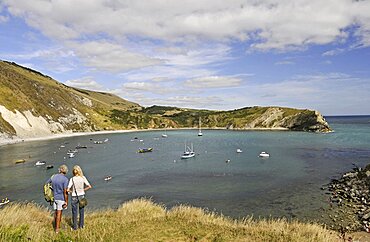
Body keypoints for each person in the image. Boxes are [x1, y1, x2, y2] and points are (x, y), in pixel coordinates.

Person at [68, 165, 92, 230]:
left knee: (74, 212)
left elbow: (68, 189)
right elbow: (89, 186)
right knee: (81, 211)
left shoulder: (72, 179)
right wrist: (83, 190)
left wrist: (71, 191)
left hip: (74, 196)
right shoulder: (83, 178)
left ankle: (75, 227)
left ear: (73, 171)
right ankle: (81, 226)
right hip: (81, 196)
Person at [46, 164, 69, 233]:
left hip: (54, 197)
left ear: (60, 170)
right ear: (65, 171)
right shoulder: (65, 179)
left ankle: (56, 225)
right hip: (61, 198)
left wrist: (52, 189)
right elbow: (65, 192)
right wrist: (66, 201)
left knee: (56, 213)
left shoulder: (54, 177)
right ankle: (57, 229)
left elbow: (47, 183)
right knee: (59, 213)